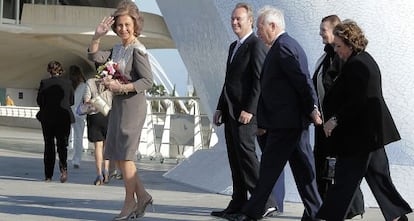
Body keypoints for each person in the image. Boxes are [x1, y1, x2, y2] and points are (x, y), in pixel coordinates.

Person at [227, 6, 323, 221]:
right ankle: (317, 213)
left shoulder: (284, 48)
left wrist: (312, 108)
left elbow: (302, 81)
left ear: (273, 25)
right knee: (303, 172)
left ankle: (252, 212)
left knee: (270, 171)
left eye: (260, 27)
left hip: (286, 124)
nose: (258, 32)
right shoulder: (282, 46)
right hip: (289, 124)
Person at [316, 20, 412, 221]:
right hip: (369, 136)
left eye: (339, 46)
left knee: (344, 180)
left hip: (359, 137)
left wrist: (334, 119)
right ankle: (397, 216)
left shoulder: (358, 65)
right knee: (379, 178)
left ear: (350, 44)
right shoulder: (362, 60)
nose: (337, 50)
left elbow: (358, 100)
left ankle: (329, 217)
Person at [87, 0, 153, 220]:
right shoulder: (117, 49)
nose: (123, 29)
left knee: (125, 156)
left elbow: (147, 81)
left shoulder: (138, 49)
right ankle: (142, 196)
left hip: (133, 107)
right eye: (119, 25)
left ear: (135, 25)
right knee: (119, 155)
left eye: (127, 25)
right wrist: (97, 36)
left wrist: (121, 86)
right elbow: (95, 59)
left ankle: (129, 202)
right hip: (118, 106)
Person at [211, 3, 277, 219]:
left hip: (246, 115)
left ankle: (265, 202)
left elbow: (260, 79)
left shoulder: (256, 45)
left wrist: (250, 109)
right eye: (232, 19)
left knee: (247, 158)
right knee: (235, 159)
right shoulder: (234, 46)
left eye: (239, 19)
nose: (235, 22)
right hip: (230, 113)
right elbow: (229, 81)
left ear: (250, 20)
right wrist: (220, 106)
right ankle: (238, 202)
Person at [312, 15, 364, 218]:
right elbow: (316, 83)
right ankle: (328, 207)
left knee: (337, 167)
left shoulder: (343, 59)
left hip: (335, 124)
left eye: (323, 30)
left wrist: (335, 119)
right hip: (322, 122)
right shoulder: (325, 57)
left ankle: (350, 208)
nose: (320, 33)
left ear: (335, 32)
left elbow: (342, 90)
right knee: (324, 165)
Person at [36, 61, 75, 183]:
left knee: (49, 145)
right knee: (62, 145)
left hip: (48, 118)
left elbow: (39, 101)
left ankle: (48, 176)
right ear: (61, 70)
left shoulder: (44, 83)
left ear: (49, 70)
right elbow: (72, 101)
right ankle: (64, 170)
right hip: (63, 117)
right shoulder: (68, 83)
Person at [84, 76, 115, 185]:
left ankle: (99, 175)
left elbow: (87, 101)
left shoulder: (90, 81)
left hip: (95, 116)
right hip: (108, 115)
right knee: (107, 146)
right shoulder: (111, 81)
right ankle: (106, 171)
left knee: (98, 146)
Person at [68, 65, 87, 169]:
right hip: (79, 113)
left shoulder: (68, 84)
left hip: (68, 112)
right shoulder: (83, 85)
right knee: (78, 137)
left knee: (66, 136)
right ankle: (77, 160)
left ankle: (64, 156)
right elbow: (86, 100)